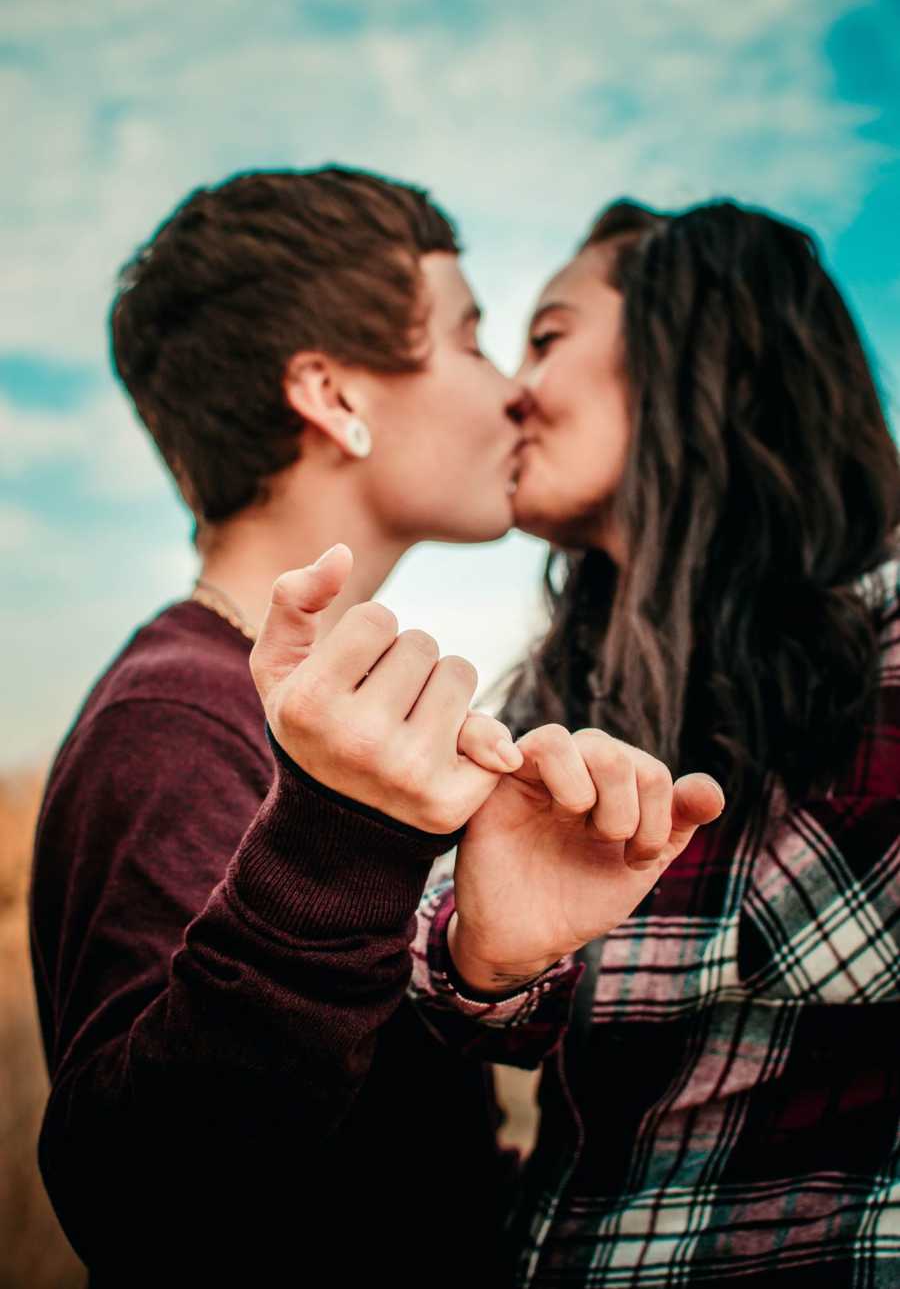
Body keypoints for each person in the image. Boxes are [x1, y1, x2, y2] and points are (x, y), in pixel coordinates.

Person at [29, 168, 722, 1287]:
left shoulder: (261, 706)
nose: (512, 392)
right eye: (471, 336)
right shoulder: (176, 721)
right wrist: (337, 832)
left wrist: (483, 976)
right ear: (332, 393)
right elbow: (148, 1204)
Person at [413, 199, 900, 1287]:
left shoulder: (891, 651)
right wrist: (486, 958)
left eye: (545, 337)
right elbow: (450, 992)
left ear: (695, 339)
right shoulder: (555, 692)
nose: (510, 391)